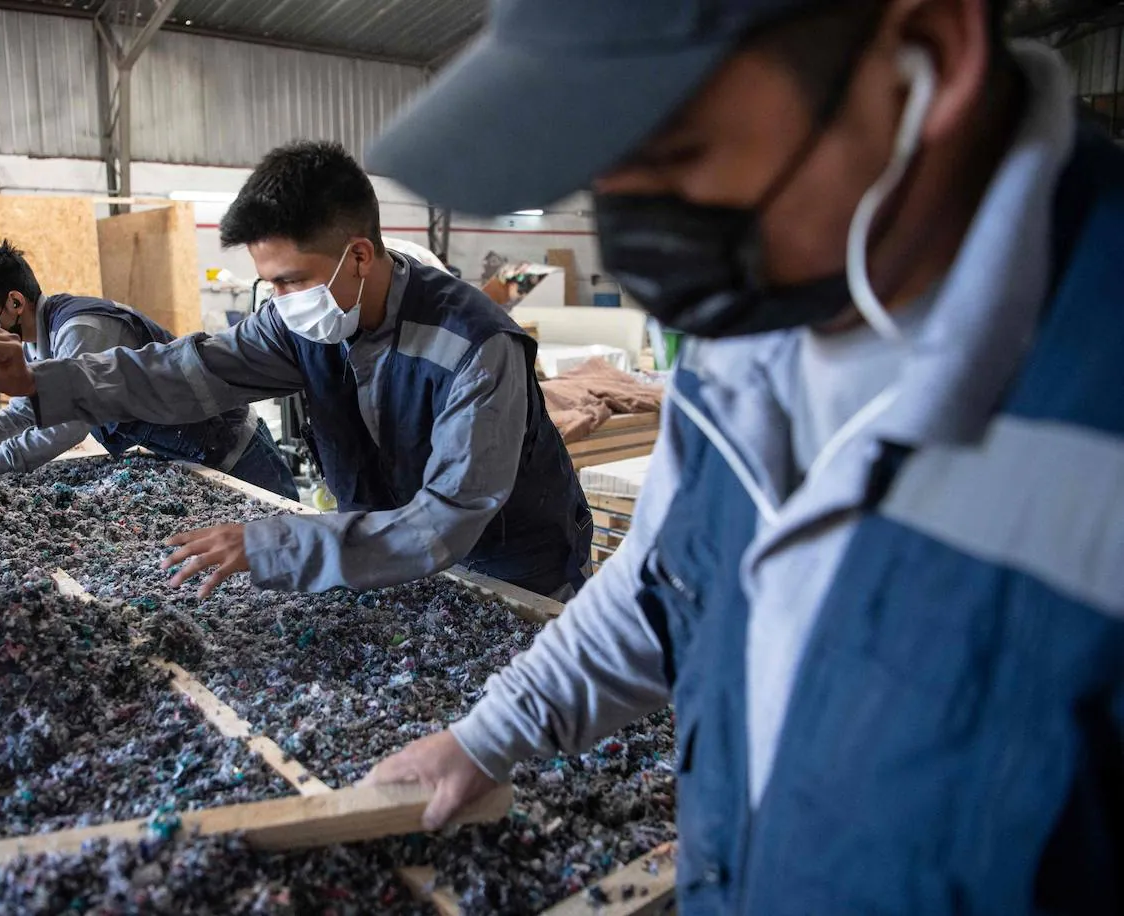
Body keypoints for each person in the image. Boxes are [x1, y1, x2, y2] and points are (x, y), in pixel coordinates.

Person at [361, 0, 1124, 912]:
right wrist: (488, 737)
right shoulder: (759, 312)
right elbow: (665, 577)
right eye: (607, 172)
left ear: (929, 54)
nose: (639, 238)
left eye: (679, 153)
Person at [0, 143, 592, 600]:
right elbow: (186, 371)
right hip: (385, 547)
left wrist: (273, 545)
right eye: (270, 284)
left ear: (359, 256)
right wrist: (45, 381)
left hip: (512, 563)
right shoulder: (298, 321)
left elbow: (445, 521)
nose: (282, 300)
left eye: (292, 280)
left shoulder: (474, 346)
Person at [0, 241, 298, 500]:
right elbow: (31, 405)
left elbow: (68, 424)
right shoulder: (38, 342)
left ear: (15, 302)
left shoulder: (80, 329)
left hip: (234, 453)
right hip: (186, 455)